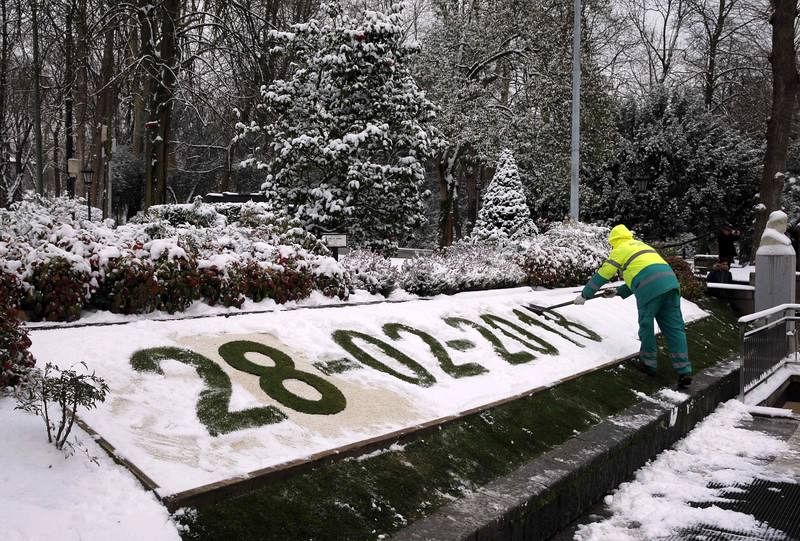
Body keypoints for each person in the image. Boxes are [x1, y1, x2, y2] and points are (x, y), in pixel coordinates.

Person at [573, 224, 692, 389]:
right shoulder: (642, 246)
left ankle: (649, 364)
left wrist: (585, 294)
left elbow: (604, 273)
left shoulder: (620, 249)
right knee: (674, 328)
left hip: (650, 289)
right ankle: (684, 371)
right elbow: (644, 272)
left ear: (614, 241)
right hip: (671, 284)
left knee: (646, 325)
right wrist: (619, 291)